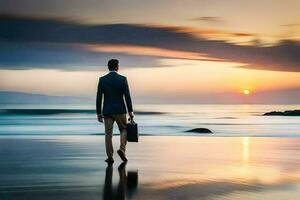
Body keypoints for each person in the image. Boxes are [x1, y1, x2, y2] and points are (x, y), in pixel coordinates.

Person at [96, 59, 134, 163]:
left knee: (108, 134)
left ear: (108, 67)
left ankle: (110, 157)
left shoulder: (102, 80)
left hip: (107, 111)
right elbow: (127, 96)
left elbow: (99, 97)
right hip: (120, 110)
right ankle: (122, 150)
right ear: (117, 67)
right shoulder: (123, 79)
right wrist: (130, 111)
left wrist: (98, 113)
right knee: (124, 129)